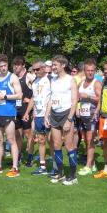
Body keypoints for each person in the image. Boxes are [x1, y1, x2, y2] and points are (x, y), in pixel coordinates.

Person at [45, 55, 79, 185]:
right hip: (54, 115)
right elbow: (51, 99)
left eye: (55, 65)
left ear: (63, 65)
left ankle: (73, 176)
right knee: (56, 145)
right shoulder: (53, 80)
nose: (53, 67)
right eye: (52, 65)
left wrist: (69, 119)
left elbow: (74, 101)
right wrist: (47, 115)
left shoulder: (71, 80)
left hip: (66, 114)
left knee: (69, 145)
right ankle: (60, 173)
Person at [0, 55, 23, 177]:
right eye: (1, 66)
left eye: (5, 66)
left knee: (11, 140)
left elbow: (19, 95)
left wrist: (6, 97)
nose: (3, 68)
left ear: (7, 65)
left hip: (8, 112)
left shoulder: (12, 77)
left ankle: (15, 168)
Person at [75, 58, 102, 176]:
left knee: (90, 140)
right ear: (84, 71)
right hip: (83, 115)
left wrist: (88, 97)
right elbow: (76, 96)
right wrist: (77, 107)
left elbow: (100, 98)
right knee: (86, 140)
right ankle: (92, 163)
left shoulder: (96, 83)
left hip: (92, 115)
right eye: (88, 70)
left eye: (92, 70)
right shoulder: (81, 82)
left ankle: (88, 166)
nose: (90, 72)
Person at [13, 56, 35, 168]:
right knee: (17, 134)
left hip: (26, 110)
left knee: (28, 134)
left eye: (18, 65)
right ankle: (18, 156)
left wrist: (31, 100)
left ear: (23, 66)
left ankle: (30, 157)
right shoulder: (14, 77)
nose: (16, 67)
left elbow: (38, 89)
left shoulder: (29, 76)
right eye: (14, 65)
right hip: (16, 110)